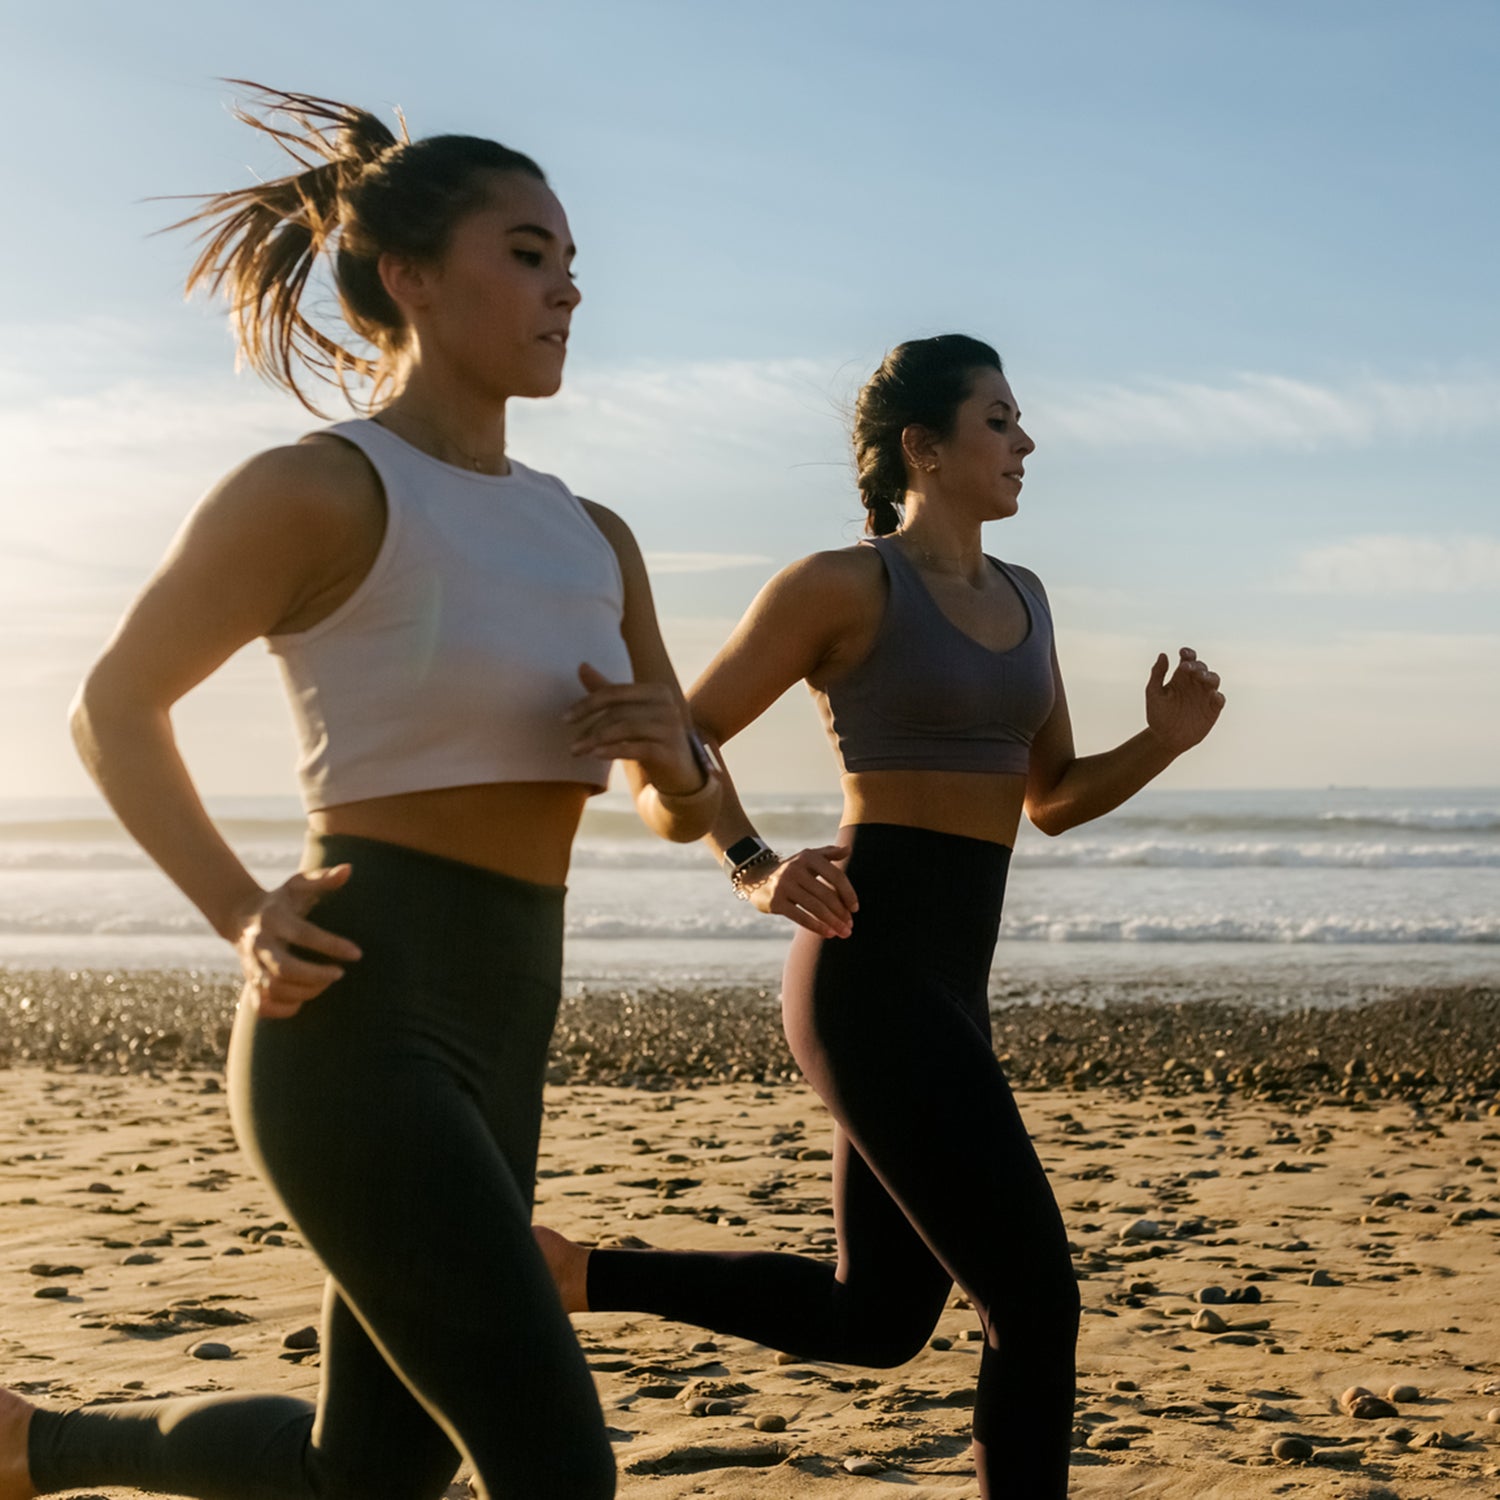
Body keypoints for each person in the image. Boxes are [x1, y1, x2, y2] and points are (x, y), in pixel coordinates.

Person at [0, 83, 722, 1500]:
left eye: (572, 261)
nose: (568, 288)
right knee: (561, 1470)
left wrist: (683, 764)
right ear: (408, 278)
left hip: (510, 1018)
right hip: (355, 1019)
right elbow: (112, 709)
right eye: (528, 254)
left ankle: (31, 1448)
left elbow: (681, 810)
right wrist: (238, 912)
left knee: (366, 1476)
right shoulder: (322, 491)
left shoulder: (597, 534)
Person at [535, 334, 1226, 1499]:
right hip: (866, 969)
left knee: (879, 1319)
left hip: (953, 981)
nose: (1026, 442)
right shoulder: (842, 586)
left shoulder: (1029, 597)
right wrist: (751, 860)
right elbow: (678, 742)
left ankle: (578, 1276)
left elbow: (1048, 799)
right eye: (999, 420)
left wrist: (1161, 743)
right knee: (1036, 1303)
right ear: (925, 446)